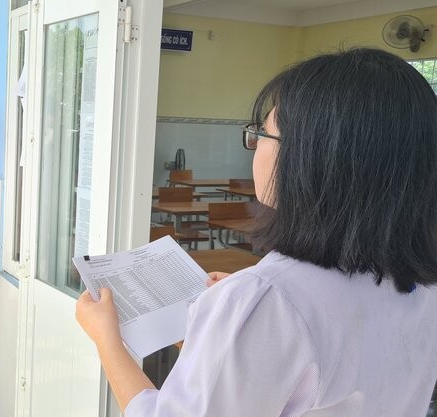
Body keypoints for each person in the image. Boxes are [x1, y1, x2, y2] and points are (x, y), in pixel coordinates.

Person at [76, 48, 437, 416]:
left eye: (263, 133)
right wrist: (224, 327)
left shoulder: (270, 298)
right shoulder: (423, 286)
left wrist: (108, 340)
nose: (255, 145)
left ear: (311, 157)